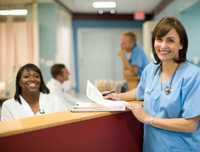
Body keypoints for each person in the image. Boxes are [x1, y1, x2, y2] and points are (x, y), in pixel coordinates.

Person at [106, 17, 200, 151]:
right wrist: (117, 96)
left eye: (170, 40)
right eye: (159, 39)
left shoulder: (194, 75)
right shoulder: (150, 70)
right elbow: (140, 91)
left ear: (181, 44)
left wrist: (148, 119)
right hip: (152, 147)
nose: (163, 46)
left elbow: (190, 124)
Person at [1, 63, 66, 121]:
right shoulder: (8, 106)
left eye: (36, 76)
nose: (32, 79)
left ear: (40, 81)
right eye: (26, 76)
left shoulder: (54, 101)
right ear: (19, 82)